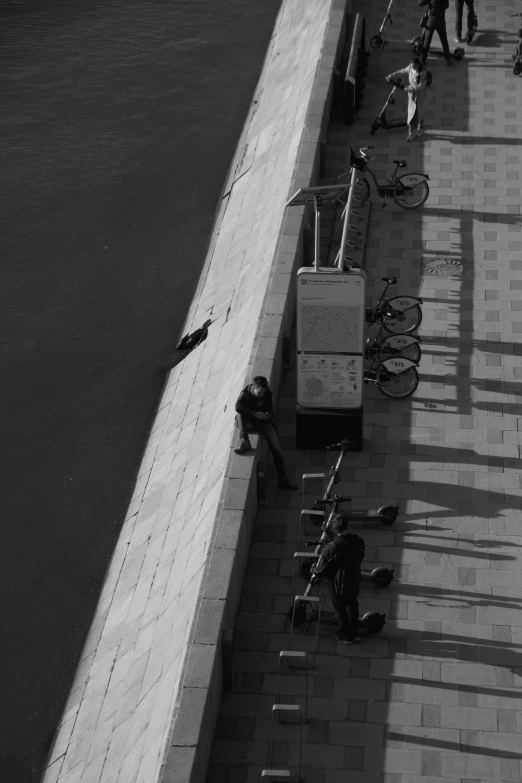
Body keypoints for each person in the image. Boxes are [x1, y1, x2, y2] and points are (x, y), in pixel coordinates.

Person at [234, 375, 298, 490]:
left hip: (264, 422)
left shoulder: (267, 393)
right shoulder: (245, 393)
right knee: (239, 416)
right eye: (260, 393)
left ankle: (283, 479)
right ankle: (245, 442)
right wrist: (254, 413)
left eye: (264, 392)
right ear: (254, 387)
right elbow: (238, 407)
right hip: (250, 421)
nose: (263, 394)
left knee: (277, 450)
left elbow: (270, 411)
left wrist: (266, 415)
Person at [310, 515, 365, 644]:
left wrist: (314, 573)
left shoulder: (331, 548)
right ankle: (354, 632)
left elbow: (321, 567)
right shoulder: (358, 541)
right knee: (352, 603)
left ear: (334, 529)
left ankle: (346, 635)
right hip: (354, 576)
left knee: (339, 606)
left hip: (338, 581)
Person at [385, 58, 431, 141]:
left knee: (419, 114)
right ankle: (410, 133)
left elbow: (419, 87)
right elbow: (402, 72)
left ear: (418, 65)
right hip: (413, 95)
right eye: (411, 66)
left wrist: (405, 88)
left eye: (414, 67)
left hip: (422, 96)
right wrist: (391, 76)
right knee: (411, 114)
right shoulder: (410, 67)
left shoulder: (423, 73)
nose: (412, 68)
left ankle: (419, 129)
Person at [418, 0, 452, 66]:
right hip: (441, 21)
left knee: (427, 41)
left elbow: (420, 3)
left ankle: (423, 60)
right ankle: (448, 60)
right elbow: (447, 5)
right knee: (444, 41)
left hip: (431, 21)